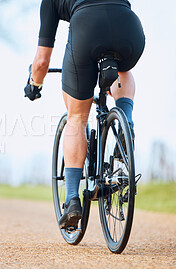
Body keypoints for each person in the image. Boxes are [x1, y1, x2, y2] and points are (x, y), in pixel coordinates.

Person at [24, 0, 145, 229]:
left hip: (86, 31)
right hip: (129, 28)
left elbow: (41, 62)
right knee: (123, 69)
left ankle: (71, 200)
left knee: (77, 118)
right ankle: (125, 123)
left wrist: (34, 85)